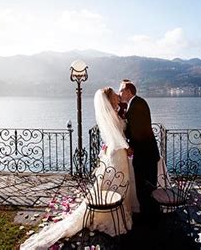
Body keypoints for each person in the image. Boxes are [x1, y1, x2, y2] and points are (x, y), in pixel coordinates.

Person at [20, 87, 138, 250]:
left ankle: (115, 209)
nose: (118, 96)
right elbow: (115, 136)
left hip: (116, 153)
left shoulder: (112, 112)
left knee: (116, 183)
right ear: (109, 99)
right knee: (117, 183)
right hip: (118, 153)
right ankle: (112, 214)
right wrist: (127, 148)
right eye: (115, 95)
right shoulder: (110, 114)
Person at [118, 80, 161, 225]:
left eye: (121, 90)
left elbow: (137, 133)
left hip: (144, 154)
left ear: (128, 91)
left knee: (145, 186)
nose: (119, 93)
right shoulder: (136, 103)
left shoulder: (136, 105)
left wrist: (129, 145)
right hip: (147, 152)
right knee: (147, 185)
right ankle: (150, 214)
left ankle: (148, 218)